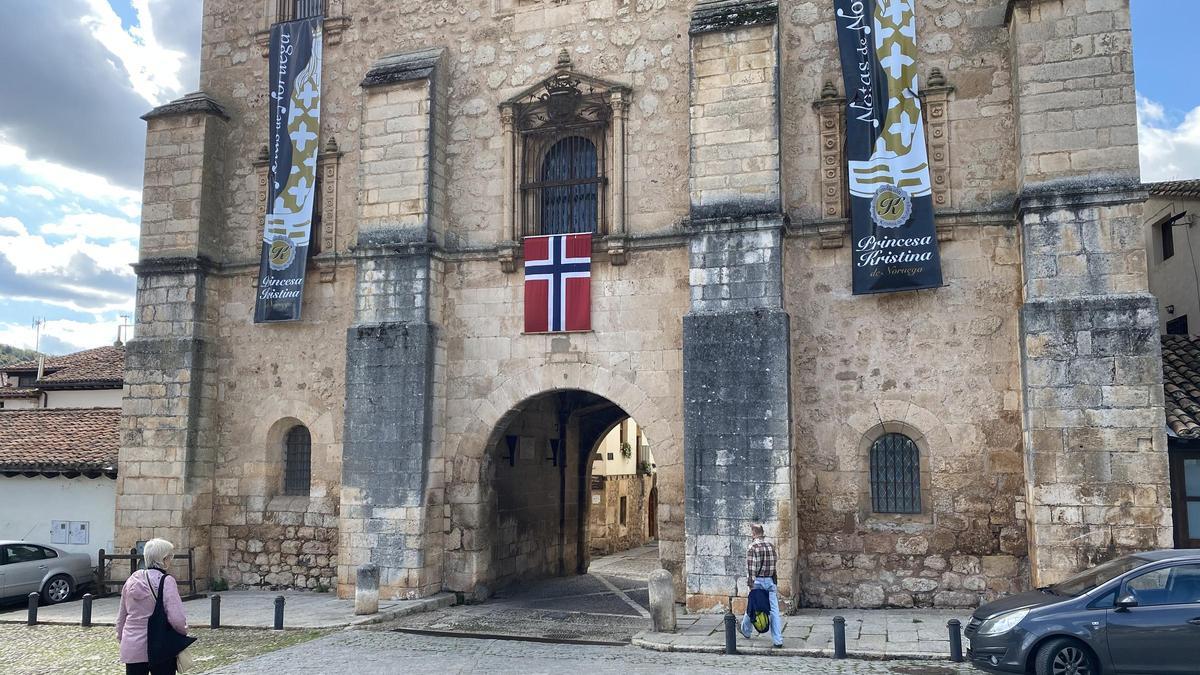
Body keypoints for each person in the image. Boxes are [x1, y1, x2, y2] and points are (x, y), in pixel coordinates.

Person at [116, 538, 189, 675]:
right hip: (159, 645)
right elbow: (176, 618)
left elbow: (122, 615)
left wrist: (122, 638)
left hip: (132, 646)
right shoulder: (166, 581)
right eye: (169, 557)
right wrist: (183, 632)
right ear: (164, 559)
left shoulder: (131, 580)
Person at [741, 523, 783, 648]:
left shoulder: (752, 548)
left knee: (753, 606)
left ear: (753, 534)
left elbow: (751, 569)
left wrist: (750, 585)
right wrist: (774, 581)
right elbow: (774, 565)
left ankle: (746, 630)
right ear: (762, 533)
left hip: (758, 581)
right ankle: (778, 639)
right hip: (770, 580)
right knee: (774, 611)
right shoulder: (771, 546)